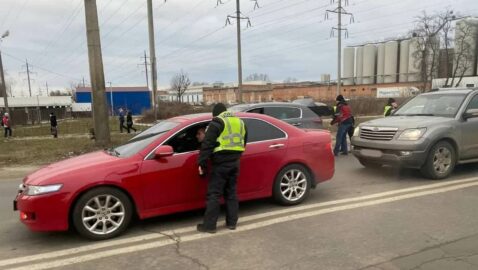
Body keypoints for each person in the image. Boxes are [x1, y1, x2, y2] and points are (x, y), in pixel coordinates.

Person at [196, 103, 247, 234]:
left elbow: (207, 144)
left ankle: (209, 226)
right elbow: (244, 141)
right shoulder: (240, 122)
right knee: (231, 193)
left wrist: (201, 163)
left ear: (215, 114)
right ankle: (232, 223)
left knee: (214, 194)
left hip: (220, 164)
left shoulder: (217, 123)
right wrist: (236, 155)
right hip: (235, 162)